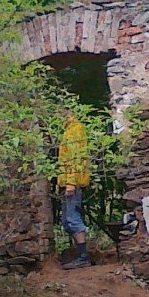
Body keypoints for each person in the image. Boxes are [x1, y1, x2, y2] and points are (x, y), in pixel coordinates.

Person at [59, 109, 92, 269]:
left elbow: (75, 159)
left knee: (72, 218)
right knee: (67, 219)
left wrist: (70, 183)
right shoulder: (70, 129)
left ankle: (83, 256)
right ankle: (79, 254)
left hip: (72, 183)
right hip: (70, 182)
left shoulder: (74, 130)